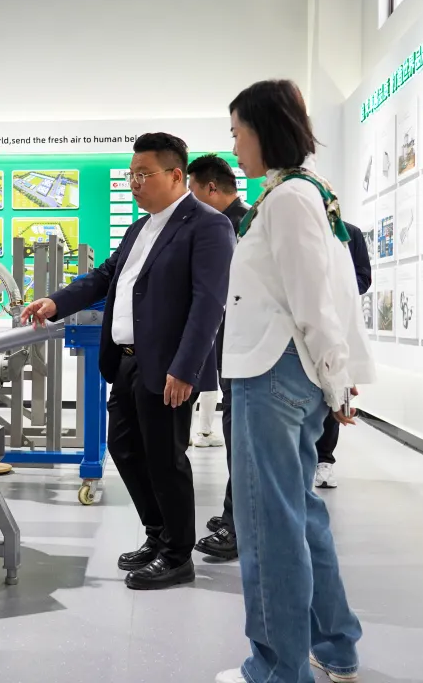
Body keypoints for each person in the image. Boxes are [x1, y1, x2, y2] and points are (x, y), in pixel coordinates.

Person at [21, 133, 235, 591]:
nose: (134, 183)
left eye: (143, 174)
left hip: (169, 366)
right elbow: (105, 276)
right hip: (127, 362)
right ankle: (159, 536)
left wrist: (187, 368)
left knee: (165, 459)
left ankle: (177, 555)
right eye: (130, 175)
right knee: (125, 449)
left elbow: (209, 303)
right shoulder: (141, 228)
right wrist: (56, 302)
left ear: (175, 175)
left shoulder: (209, 226)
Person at [215, 80, 375, 683]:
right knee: (297, 513)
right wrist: (334, 375)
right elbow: (328, 292)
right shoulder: (306, 193)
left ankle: (278, 669)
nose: (234, 146)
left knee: (268, 525)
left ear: (263, 130)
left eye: (238, 132)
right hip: (289, 369)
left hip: (272, 371)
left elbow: (313, 297)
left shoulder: (287, 200)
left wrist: (337, 377)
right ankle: (335, 643)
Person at [185, 153, 250, 563]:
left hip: (247, 352)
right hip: (235, 348)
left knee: (242, 440)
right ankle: (234, 514)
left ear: (211, 188)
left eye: (192, 191)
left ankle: (238, 525)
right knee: (236, 436)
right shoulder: (234, 223)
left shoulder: (240, 227)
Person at [314, 221, 372, 490]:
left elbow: (363, 277)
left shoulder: (350, 232)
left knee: (335, 390)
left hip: (338, 322)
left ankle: (324, 460)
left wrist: (338, 290)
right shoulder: (303, 225)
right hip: (305, 323)